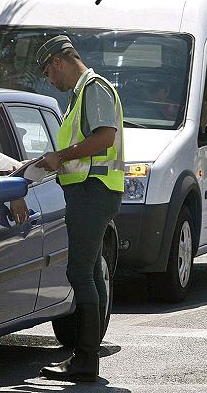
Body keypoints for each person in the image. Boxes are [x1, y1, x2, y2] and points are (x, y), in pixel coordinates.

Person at [34, 35, 124, 381]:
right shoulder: (82, 94)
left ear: (59, 61)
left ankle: (85, 358)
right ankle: (89, 353)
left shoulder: (93, 88)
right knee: (90, 272)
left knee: (80, 272)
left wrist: (61, 157)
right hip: (90, 192)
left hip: (93, 192)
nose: (49, 79)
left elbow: (105, 137)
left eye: (47, 71)